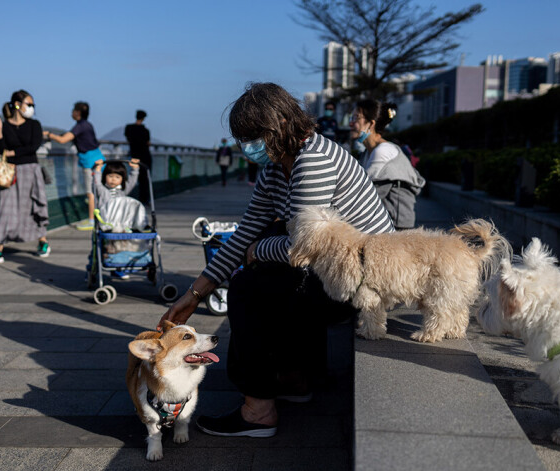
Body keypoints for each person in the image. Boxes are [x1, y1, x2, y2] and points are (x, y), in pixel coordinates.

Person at [158, 82, 394, 438]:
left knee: (248, 288)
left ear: (279, 126)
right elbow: (245, 231)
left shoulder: (313, 159)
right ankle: (293, 379)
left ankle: (258, 411)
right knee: (267, 267)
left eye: (252, 136)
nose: (246, 147)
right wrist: (194, 294)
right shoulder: (275, 166)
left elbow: (302, 248)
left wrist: (256, 252)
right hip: (339, 271)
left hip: (367, 282)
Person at [0, 90, 50, 264]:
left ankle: (42, 241)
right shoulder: (5, 125)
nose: (31, 108)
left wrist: (13, 152)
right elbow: (0, 150)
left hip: (31, 170)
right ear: (17, 104)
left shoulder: (34, 125)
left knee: (35, 205)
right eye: (28, 104)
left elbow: (34, 146)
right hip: (9, 172)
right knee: (6, 209)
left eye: (32, 105)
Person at [350, 99, 425, 229]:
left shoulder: (383, 151)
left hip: (397, 229)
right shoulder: (367, 153)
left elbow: (367, 196)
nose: (351, 123)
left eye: (356, 117)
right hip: (383, 224)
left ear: (371, 124)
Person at [44, 101, 104, 231]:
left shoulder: (80, 126)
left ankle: (92, 221)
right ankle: (101, 217)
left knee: (91, 192)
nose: (71, 112)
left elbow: (63, 140)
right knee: (98, 190)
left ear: (77, 113)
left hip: (90, 162)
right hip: (97, 158)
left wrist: (49, 135)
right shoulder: (88, 125)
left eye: (73, 110)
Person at [92, 158, 141, 280]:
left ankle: (118, 267)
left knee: (120, 247)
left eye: (117, 177)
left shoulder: (123, 192)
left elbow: (132, 182)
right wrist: (97, 170)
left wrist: (135, 168)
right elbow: (96, 183)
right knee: (102, 248)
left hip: (120, 225)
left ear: (122, 179)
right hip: (106, 225)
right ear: (105, 177)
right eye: (110, 176)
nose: (113, 179)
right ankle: (92, 266)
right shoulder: (103, 191)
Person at [124, 110, 152, 204]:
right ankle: (145, 199)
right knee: (145, 178)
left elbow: (128, 138)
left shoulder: (129, 128)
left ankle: (132, 198)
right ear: (143, 118)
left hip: (134, 155)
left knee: (134, 176)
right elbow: (148, 143)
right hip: (145, 155)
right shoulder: (145, 131)